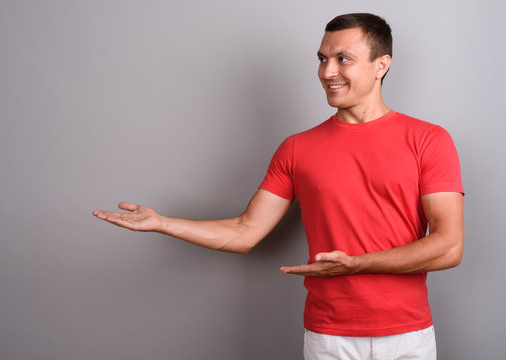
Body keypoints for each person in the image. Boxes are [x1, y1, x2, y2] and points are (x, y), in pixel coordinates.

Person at [93, 13, 464, 360]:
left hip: (407, 335)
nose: (327, 71)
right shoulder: (297, 148)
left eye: (343, 59)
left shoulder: (428, 139)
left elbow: (448, 247)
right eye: (322, 59)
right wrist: (163, 223)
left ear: (381, 65)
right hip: (329, 337)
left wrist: (354, 265)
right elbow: (244, 231)